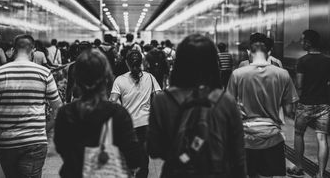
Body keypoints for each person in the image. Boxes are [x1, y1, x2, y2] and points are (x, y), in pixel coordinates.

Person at [148, 34, 246, 178]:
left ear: (179, 63)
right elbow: (238, 155)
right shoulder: (226, 101)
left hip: (175, 173)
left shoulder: (162, 100)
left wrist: (181, 153)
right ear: (213, 63)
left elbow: (154, 149)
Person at [0, 34, 62, 178]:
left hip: (6, 143)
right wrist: (45, 128)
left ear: (13, 50)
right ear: (33, 50)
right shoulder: (44, 73)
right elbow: (58, 107)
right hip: (35, 142)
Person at [54, 49, 145, 178]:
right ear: (106, 78)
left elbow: (62, 148)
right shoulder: (118, 114)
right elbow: (134, 157)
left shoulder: (65, 113)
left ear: (77, 78)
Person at [227, 33, 299, 178]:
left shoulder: (237, 73)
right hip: (273, 137)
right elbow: (289, 110)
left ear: (249, 52)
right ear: (269, 53)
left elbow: (229, 106)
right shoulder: (283, 74)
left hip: (246, 137)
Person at [110, 50, 161, 178]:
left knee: (127, 157)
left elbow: (112, 102)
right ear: (141, 62)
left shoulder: (119, 80)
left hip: (128, 126)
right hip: (146, 124)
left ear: (126, 63)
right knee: (143, 159)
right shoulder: (150, 77)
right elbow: (159, 98)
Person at [287, 30, 330, 178]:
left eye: (303, 40)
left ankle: (298, 166)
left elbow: (299, 85)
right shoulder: (328, 60)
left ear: (309, 43)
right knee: (322, 138)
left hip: (305, 103)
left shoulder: (302, 61)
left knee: (299, 134)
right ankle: (320, 173)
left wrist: (295, 103)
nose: (301, 42)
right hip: (324, 104)